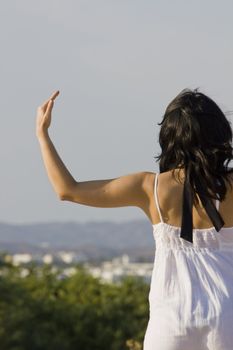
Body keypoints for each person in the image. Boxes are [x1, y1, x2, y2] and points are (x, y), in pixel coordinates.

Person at [36, 88, 233, 350]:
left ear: (169, 135)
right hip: (226, 315)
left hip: (170, 322)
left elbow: (67, 190)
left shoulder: (148, 187)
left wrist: (43, 135)